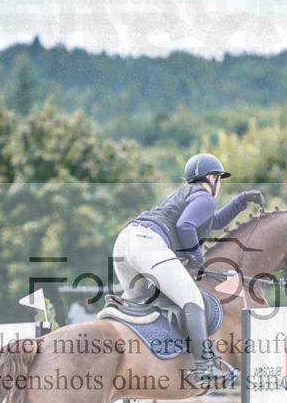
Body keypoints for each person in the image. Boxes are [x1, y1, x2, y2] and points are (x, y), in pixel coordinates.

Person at [112, 152, 264, 390]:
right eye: (219, 179)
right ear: (213, 178)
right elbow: (186, 226)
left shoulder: (187, 195)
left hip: (125, 243)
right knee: (192, 299)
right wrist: (196, 258)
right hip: (147, 244)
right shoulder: (204, 197)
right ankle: (205, 366)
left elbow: (212, 222)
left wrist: (241, 201)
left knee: (138, 303)